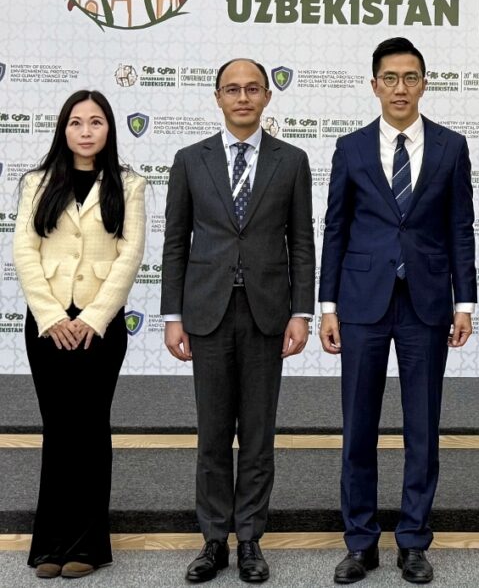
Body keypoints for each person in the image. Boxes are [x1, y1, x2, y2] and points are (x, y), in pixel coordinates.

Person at [319, 37, 476, 585]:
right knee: (357, 427)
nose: (400, 88)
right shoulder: (351, 148)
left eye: (411, 77)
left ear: (424, 82)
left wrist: (465, 301)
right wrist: (328, 304)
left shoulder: (452, 147)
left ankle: (413, 540)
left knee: (422, 428)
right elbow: (336, 227)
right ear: (374, 85)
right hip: (362, 303)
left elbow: (460, 228)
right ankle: (360, 542)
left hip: (427, 303)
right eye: (390, 77)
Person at [161, 58, 315, 584]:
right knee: (211, 434)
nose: (243, 97)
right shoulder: (189, 160)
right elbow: (175, 243)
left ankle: (250, 538)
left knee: (257, 433)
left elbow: (302, 244)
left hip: (268, 314)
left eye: (253, 89)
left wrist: (301, 312)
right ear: (217, 97)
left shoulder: (291, 161)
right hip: (206, 313)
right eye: (233, 89)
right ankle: (212, 540)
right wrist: (172, 315)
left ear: (268, 97)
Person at [13, 89, 146, 580]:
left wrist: (92, 318)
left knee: (90, 429)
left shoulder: (129, 185)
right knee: (58, 429)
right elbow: (26, 253)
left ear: (109, 129)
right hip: (47, 325)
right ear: (63, 129)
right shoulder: (36, 181)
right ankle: (48, 544)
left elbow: (129, 257)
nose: (86, 131)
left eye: (95, 122)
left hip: (101, 326)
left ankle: (88, 546)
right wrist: (51, 316)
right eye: (76, 122)